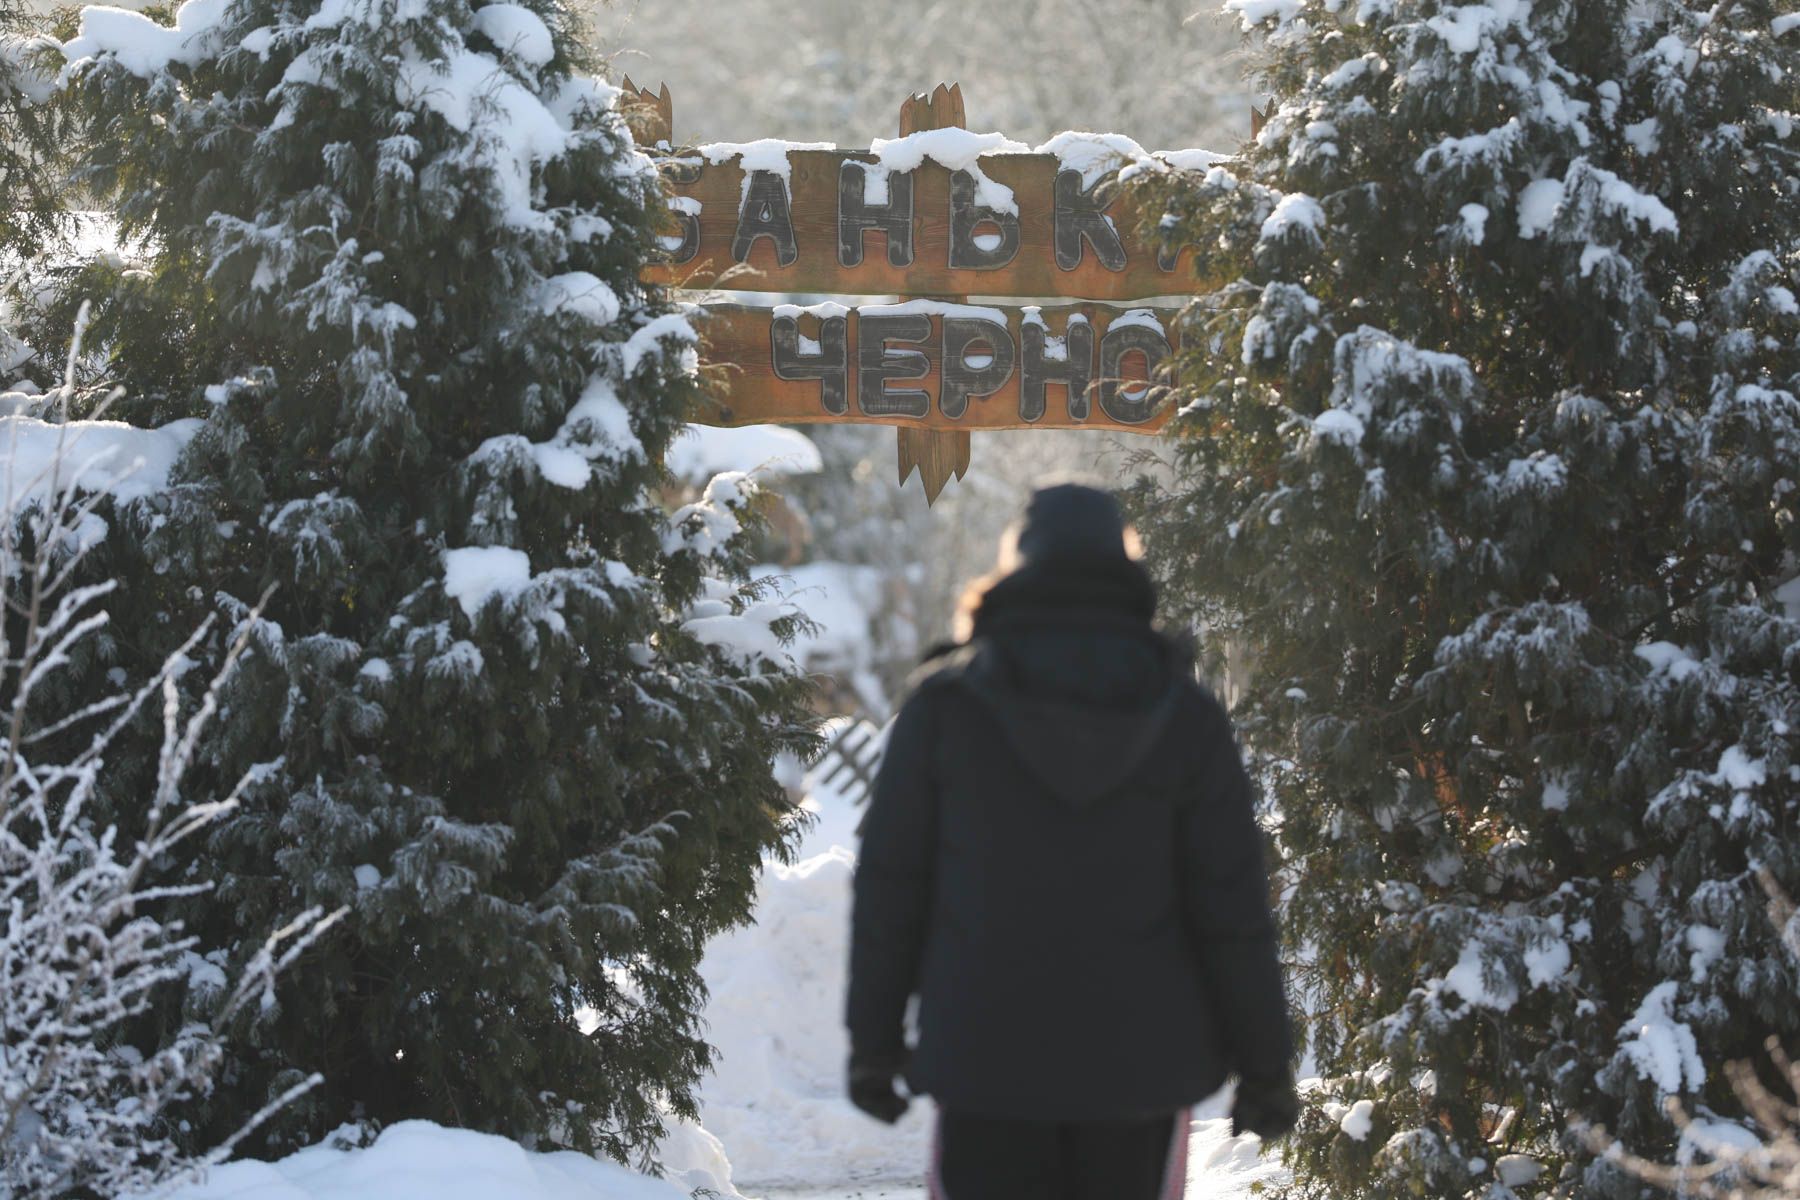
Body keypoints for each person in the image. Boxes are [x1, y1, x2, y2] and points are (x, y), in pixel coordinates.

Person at [845, 483, 1298, 1199]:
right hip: (1140, 1073)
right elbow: (1230, 906)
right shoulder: (1186, 717)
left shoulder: (945, 707)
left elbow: (891, 888)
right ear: (1125, 566)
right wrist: (1264, 1067)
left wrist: (873, 1045)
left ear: (1016, 565)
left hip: (985, 1065)